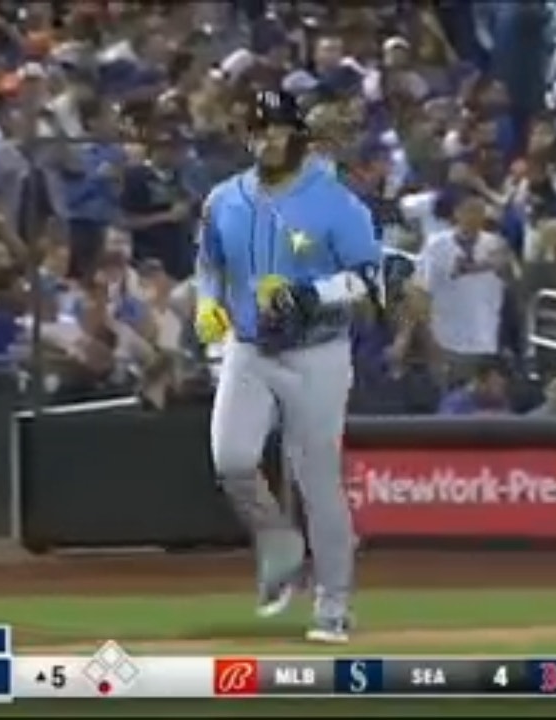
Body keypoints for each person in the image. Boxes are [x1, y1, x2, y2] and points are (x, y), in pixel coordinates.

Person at [195, 89, 384, 644]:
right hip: (250, 347)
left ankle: (334, 602)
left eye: (278, 128)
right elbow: (209, 262)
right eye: (259, 129)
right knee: (230, 460)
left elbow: (372, 281)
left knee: (317, 478)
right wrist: (208, 301)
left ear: (296, 134)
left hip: (317, 352)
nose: (268, 138)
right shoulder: (223, 198)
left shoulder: (336, 202)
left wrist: (310, 293)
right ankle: (279, 544)